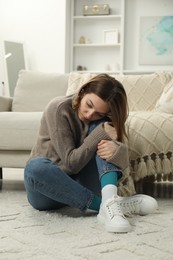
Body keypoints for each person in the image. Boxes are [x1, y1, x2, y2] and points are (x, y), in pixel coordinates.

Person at [24, 74, 158, 233]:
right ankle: (107, 204)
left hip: (81, 183)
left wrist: (118, 150)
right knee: (34, 167)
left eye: (99, 113)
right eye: (88, 104)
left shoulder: (102, 121)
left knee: (103, 138)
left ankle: (109, 203)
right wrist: (100, 134)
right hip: (47, 191)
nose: (89, 114)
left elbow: (122, 166)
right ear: (83, 91)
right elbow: (71, 163)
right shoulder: (58, 108)